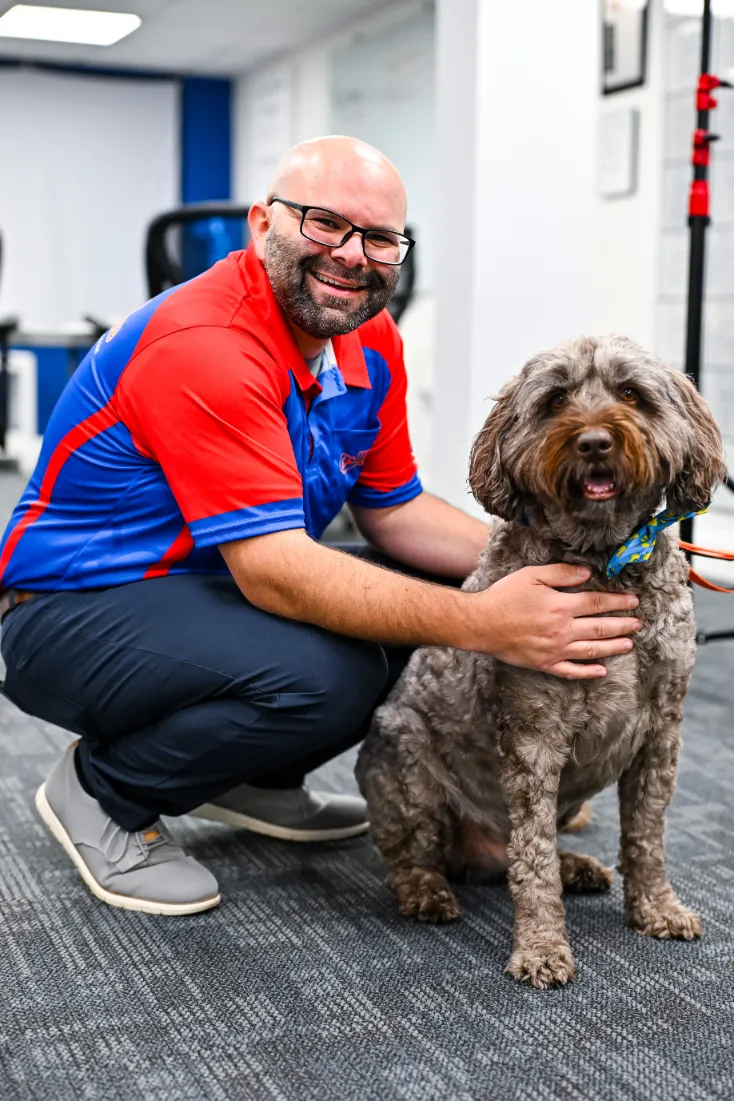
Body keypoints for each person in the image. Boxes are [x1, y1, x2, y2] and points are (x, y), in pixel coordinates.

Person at [0, 137, 641, 916]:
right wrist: (487, 621)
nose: (351, 255)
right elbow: (276, 573)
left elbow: (395, 510)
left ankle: (254, 780)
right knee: (328, 675)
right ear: (262, 222)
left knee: (436, 595)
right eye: (323, 224)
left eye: (379, 238)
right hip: (70, 609)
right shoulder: (208, 344)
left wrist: (565, 564)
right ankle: (104, 790)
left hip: (210, 586)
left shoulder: (370, 339)